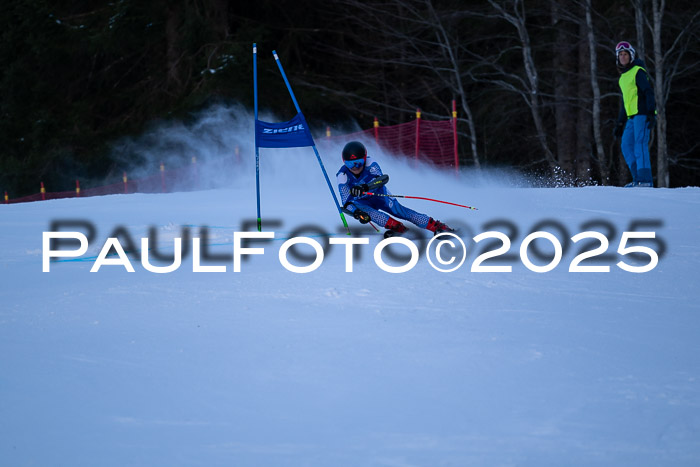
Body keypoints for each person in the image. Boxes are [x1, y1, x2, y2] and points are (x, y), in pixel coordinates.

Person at [337, 141, 454, 237]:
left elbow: (383, 179)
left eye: (358, 163)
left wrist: (365, 186)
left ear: (364, 158)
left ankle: (437, 226)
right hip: (362, 202)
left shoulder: (370, 164)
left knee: (400, 212)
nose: (355, 167)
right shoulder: (342, 176)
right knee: (376, 216)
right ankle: (398, 228)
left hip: (379, 195)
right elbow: (346, 203)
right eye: (350, 164)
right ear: (344, 163)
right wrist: (357, 213)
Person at [613, 41, 656, 187]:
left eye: (625, 54)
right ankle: (637, 179)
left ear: (631, 56)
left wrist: (651, 112)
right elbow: (627, 103)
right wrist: (620, 122)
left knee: (640, 145)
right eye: (620, 55)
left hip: (643, 114)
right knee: (626, 145)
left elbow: (648, 92)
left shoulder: (638, 71)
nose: (623, 57)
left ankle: (645, 181)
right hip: (632, 117)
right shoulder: (623, 77)